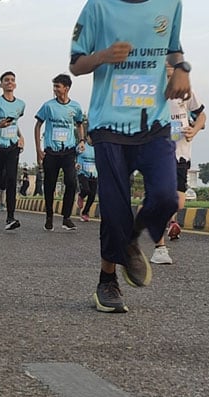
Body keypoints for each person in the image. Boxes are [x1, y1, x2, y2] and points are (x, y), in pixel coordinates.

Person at [70, 0, 191, 313]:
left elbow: (174, 48)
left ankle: (130, 239)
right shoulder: (98, 7)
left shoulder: (170, 4)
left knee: (167, 197)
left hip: (154, 120)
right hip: (108, 122)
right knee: (114, 206)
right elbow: (76, 63)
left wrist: (181, 69)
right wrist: (104, 56)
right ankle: (107, 280)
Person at [150, 62, 207, 265]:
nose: (167, 68)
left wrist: (195, 129)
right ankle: (160, 248)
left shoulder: (186, 92)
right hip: (157, 153)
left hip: (181, 153)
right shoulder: (151, 92)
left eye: (170, 64)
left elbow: (201, 115)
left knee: (178, 202)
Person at [34, 73, 85, 231]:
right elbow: (38, 126)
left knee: (71, 182)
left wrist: (81, 140)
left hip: (68, 151)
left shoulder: (75, 107)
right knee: (49, 185)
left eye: (58, 86)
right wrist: (38, 149)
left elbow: (79, 124)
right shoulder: (48, 106)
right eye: (54, 86)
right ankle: (49, 216)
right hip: (51, 152)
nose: (55, 89)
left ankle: (66, 218)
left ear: (66, 88)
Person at [0, 71, 26, 230]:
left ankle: (10, 217)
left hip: (12, 147)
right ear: (1, 84)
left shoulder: (20, 104)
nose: (9, 82)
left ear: (15, 84)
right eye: (6, 80)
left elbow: (14, 124)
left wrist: (21, 137)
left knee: (11, 179)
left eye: (12, 80)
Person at [76, 134, 97, 223]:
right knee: (86, 190)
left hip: (93, 174)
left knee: (92, 195)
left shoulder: (98, 148)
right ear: (87, 137)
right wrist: (75, 163)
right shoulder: (82, 146)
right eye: (90, 137)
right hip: (82, 173)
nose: (92, 139)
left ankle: (85, 213)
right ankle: (81, 196)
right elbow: (74, 154)